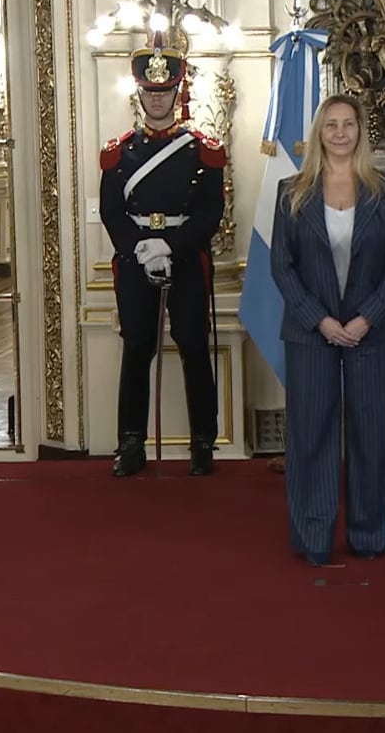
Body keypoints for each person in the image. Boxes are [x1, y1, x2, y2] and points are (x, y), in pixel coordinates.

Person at [270, 94, 385, 566]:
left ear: (360, 131)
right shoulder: (292, 191)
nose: (341, 132)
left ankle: (370, 535)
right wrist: (323, 321)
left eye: (349, 124)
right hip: (311, 332)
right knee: (311, 435)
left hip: (373, 330)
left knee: (372, 436)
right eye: (331, 124)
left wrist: (365, 318)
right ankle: (313, 536)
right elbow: (282, 268)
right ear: (319, 133)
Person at [100, 36, 225, 478]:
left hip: (186, 258)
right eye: (150, 91)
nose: (157, 99)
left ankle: (202, 442)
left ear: (178, 91)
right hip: (137, 260)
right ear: (139, 93)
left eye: (164, 91)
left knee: (193, 346)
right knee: (136, 347)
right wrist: (142, 248)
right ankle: (130, 441)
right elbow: (112, 211)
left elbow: (212, 211)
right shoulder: (118, 153)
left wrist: (170, 246)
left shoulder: (202, 150)